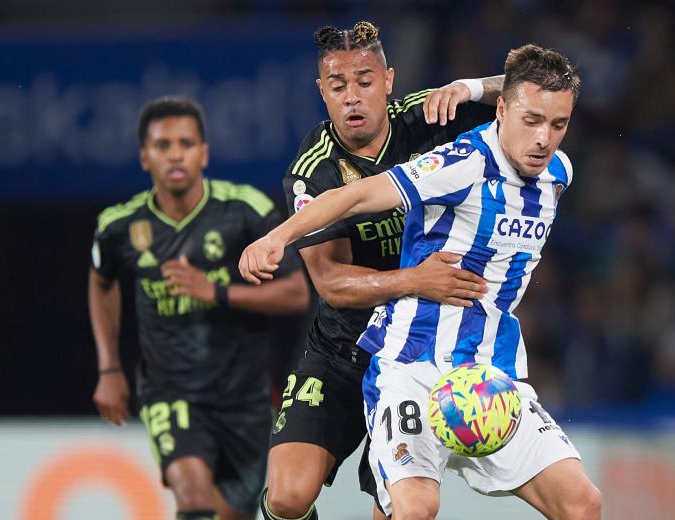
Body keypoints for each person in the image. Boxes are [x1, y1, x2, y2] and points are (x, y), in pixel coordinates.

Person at [240, 44, 602, 519]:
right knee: (411, 509)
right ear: (502, 113)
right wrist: (277, 237)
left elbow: (519, 85)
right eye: (531, 121)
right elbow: (355, 197)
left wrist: (469, 86)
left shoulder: (559, 172)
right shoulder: (460, 162)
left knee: (584, 503)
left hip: (488, 375)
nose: (544, 139)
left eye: (558, 125)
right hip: (409, 364)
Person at [260, 20, 505, 520]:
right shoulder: (312, 172)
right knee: (286, 497)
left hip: (414, 352)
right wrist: (417, 279)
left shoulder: (431, 116)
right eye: (338, 86)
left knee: (401, 510)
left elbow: (533, 93)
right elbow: (330, 284)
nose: (353, 97)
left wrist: (471, 87)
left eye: (365, 82)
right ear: (321, 93)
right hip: (339, 350)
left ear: (389, 81)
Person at [89, 96, 310, 520]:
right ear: (144, 157)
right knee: (192, 499)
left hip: (243, 398)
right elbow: (101, 282)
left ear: (203, 153)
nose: (175, 154)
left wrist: (216, 291)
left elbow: (297, 294)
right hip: (170, 393)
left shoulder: (246, 211)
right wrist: (109, 368)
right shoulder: (119, 226)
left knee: (230, 513)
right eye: (163, 145)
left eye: (186, 144)